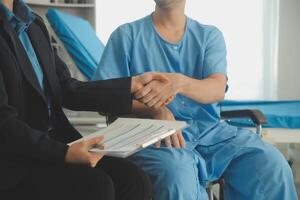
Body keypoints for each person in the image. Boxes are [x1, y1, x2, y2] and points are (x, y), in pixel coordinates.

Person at [92, 0, 298, 199]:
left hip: (212, 134)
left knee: (271, 164)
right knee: (177, 176)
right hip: (156, 139)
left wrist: (178, 83)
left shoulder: (209, 36)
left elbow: (216, 89)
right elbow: (104, 100)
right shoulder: (126, 36)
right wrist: (156, 111)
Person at [0, 0, 155, 199]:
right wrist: (64, 153)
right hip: (16, 160)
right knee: (97, 186)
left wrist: (129, 86)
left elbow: (66, 88)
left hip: (56, 142)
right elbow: (4, 123)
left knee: (134, 180)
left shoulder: (33, 23)